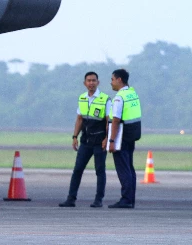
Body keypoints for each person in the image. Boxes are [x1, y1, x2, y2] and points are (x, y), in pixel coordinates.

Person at [59, 72, 111, 208]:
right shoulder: (82, 98)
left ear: (98, 82)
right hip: (86, 140)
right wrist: (75, 136)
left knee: (100, 170)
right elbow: (80, 119)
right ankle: (71, 198)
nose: (91, 83)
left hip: (100, 140)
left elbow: (108, 121)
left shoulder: (105, 99)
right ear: (84, 83)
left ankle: (98, 199)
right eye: (89, 81)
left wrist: (107, 138)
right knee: (77, 169)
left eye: (94, 80)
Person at [108, 68, 142, 209]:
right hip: (132, 135)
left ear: (119, 79)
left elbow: (115, 120)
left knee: (123, 169)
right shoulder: (132, 93)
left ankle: (126, 199)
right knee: (129, 168)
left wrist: (111, 140)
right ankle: (130, 199)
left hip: (121, 136)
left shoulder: (119, 97)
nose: (111, 83)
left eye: (112, 79)